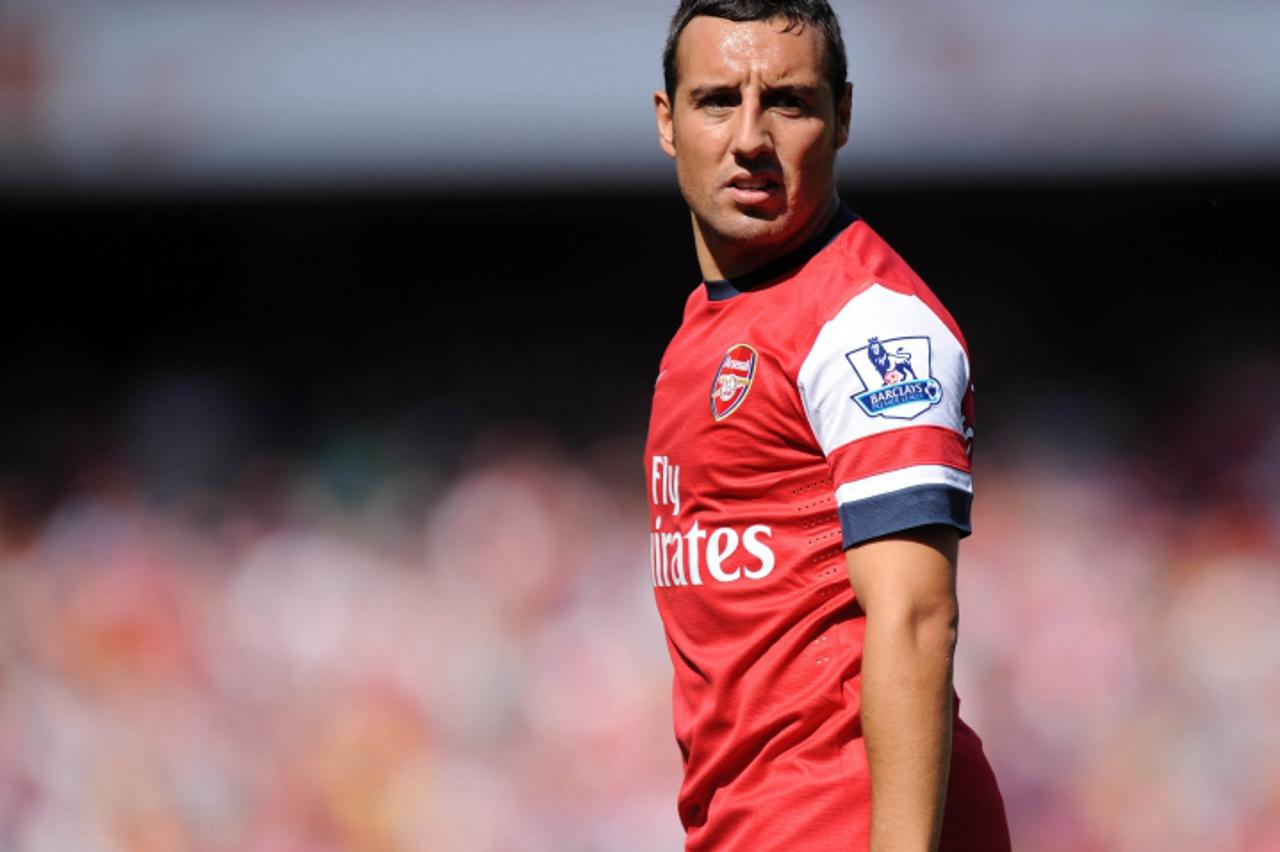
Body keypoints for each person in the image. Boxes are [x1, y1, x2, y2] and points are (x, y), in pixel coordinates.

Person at [644, 2, 1011, 849]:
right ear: (666, 122)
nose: (749, 137)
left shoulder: (871, 330)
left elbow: (917, 617)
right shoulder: (705, 330)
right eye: (714, 101)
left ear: (844, 116)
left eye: (788, 103)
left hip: (842, 824)